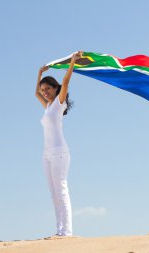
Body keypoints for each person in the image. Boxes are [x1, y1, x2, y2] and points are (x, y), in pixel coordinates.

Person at [36, 50, 83, 237]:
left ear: (55, 89)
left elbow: (66, 82)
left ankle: (68, 231)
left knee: (61, 190)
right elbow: (34, 93)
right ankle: (59, 230)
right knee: (54, 194)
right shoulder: (47, 107)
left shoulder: (58, 104)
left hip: (59, 152)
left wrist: (72, 62)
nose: (44, 93)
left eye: (47, 89)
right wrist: (39, 74)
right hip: (46, 154)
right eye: (43, 90)